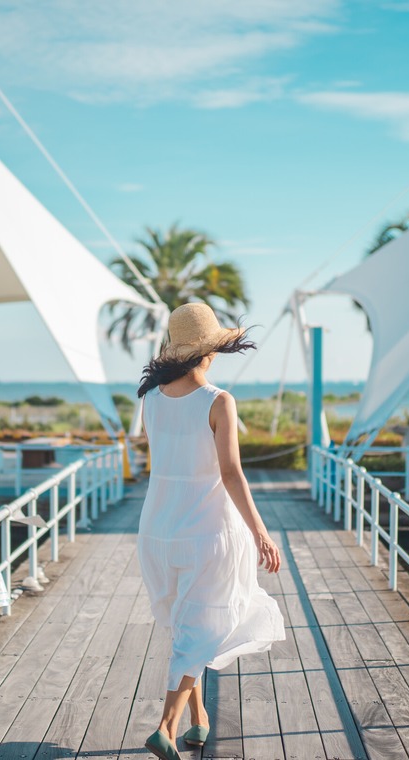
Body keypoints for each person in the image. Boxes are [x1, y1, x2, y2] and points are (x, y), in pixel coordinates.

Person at [136, 302, 286, 760]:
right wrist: (260, 532)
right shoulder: (218, 400)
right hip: (208, 533)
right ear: (210, 351)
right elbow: (231, 473)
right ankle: (165, 727)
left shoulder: (150, 398)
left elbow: (164, 458)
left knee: (187, 628)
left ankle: (198, 720)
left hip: (157, 532)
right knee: (201, 629)